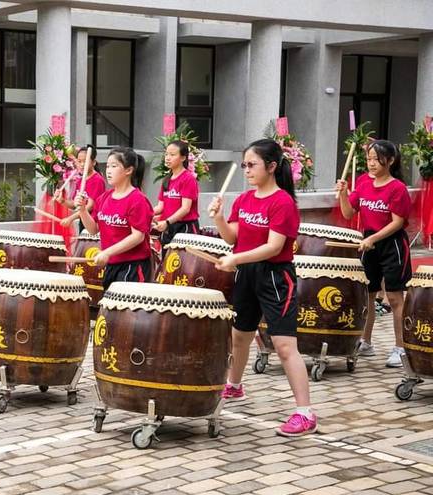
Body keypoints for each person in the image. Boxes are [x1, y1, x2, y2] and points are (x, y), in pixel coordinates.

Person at [208, 138, 315, 437]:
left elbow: (273, 247)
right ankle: (235, 385)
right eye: (244, 165)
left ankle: (305, 412)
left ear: (271, 166)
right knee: (240, 335)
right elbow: (231, 238)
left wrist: (236, 259)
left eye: (252, 164)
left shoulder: (282, 203)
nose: (246, 170)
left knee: (283, 346)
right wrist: (218, 217)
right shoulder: (243, 200)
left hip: (276, 278)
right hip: (247, 274)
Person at [336, 140, 412, 367]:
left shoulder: (397, 188)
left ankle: (400, 348)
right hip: (369, 243)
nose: (371, 163)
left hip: (392, 245)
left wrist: (373, 239)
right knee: (368, 295)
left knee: (396, 298)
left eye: (376, 159)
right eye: (369, 159)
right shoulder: (362, 182)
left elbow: (398, 223)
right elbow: (348, 213)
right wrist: (343, 194)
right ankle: (365, 341)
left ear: (390, 161)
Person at [76, 147, 153, 289]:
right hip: (112, 264)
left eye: (114, 166)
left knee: (125, 309)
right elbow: (93, 229)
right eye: (107, 166)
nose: (108, 170)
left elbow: (138, 237)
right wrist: (82, 210)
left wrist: (107, 252)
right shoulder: (104, 198)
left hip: (133, 266)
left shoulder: (138, 200)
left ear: (128, 170)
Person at [152, 140, 200, 255]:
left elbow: (185, 208)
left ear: (183, 158)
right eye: (166, 154)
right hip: (168, 227)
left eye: (172, 155)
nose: (168, 158)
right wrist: (146, 213)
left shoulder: (188, 179)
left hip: (185, 228)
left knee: (183, 265)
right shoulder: (167, 179)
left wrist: (167, 222)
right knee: (166, 264)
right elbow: (160, 207)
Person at [56, 145, 106, 231]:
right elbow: (76, 205)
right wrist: (62, 201)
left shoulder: (97, 180)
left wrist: (71, 218)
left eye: (85, 161)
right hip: (83, 221)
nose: (82, 165)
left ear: (93, 162)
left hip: (94, 222)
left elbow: (90, 206)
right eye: (79, 161)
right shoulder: (80, 180)